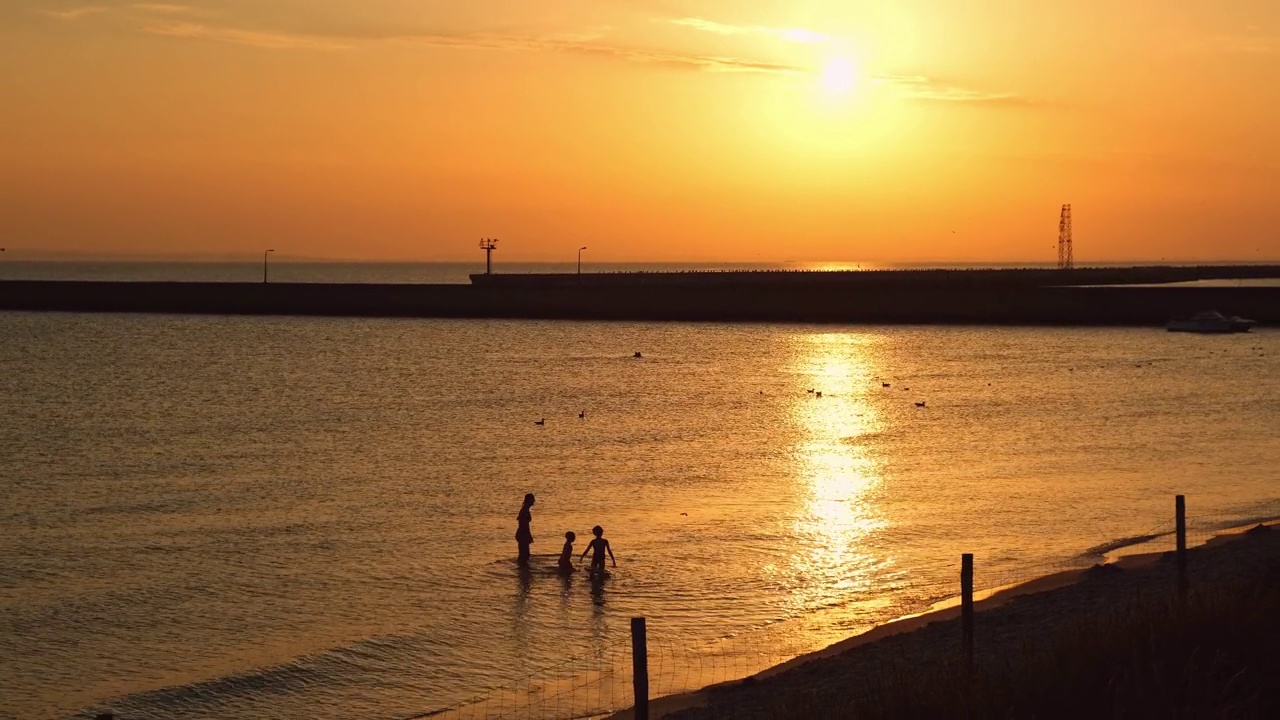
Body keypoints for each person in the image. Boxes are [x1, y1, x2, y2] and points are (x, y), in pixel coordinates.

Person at [515, 493, 535, 564]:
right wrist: (528, 535)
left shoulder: (525, 510)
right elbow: (524, 525)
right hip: (522, 534)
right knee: (524, 555)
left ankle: (522, 571)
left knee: (524, 555)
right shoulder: (524, 510)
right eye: (532, 500)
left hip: (522, 533)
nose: (534, 501)